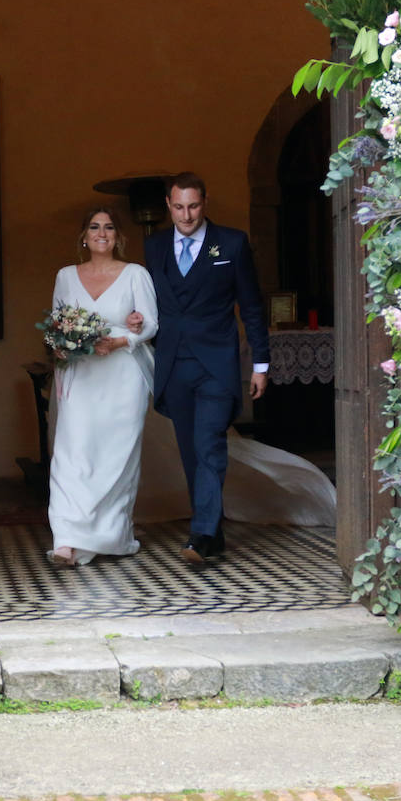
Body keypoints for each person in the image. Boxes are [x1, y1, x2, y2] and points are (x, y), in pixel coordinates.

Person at [138, 172, 270, 565]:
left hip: (217, 363)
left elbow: (251, 306)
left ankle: (200, 535)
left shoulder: (231, 243)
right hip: (173, 363)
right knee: (190, 451)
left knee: (210, 443)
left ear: (205, 202)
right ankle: (213, 532)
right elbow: (148, 303)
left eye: (193, 206)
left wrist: (260, 364)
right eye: (179, 207)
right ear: (168, 205)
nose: (186, 215)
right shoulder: (154, 246)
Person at [46, 207, 159, 566]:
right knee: (72, 453)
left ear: (118, 236)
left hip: (123, 376)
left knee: (115, 458)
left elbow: (151, 324)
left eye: (109, 227)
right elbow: (57, 325)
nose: (101, 233)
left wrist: (124, 339)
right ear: (84, 235)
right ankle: (66, 538)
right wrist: (62, 345)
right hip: (81, 374)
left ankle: (109, 536)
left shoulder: (135, 274)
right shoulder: (66, 276)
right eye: (94, 227)